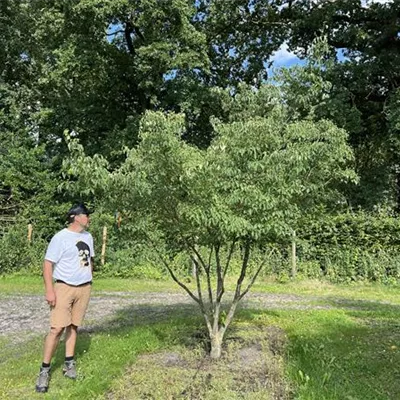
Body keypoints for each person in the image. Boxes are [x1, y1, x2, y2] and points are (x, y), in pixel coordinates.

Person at [35, 203, 95, 393]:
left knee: (74, 326)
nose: (89, 218)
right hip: (64, 287)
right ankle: (44, 370)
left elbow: (90, 260)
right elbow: (47, 264)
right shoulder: (60, 238)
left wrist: (88, 278)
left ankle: (69, 364)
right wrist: (50, 290)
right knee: (56, 328)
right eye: (86, 215)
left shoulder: (88, 237)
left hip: (84, 288)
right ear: (76, 217)